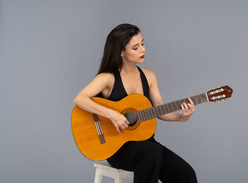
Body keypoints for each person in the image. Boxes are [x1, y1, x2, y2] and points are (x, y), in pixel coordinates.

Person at [73, 23, 198, 183]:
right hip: (116, 148)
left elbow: (159, 111)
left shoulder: (149, 76)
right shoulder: (108, 78)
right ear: (121, 52)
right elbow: (80, 99)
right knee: (151, 152)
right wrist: (112, 115)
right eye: (135, 47)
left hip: (146, 144)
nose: (143, 50)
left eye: (143, 44)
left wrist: (182, 118)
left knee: (185, 174)